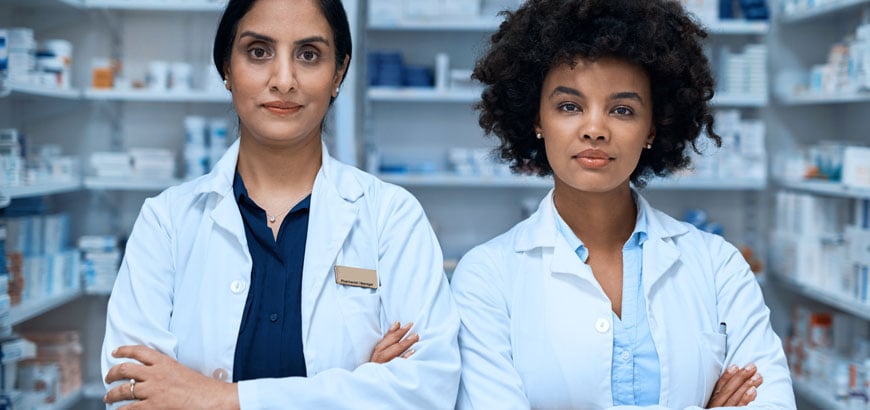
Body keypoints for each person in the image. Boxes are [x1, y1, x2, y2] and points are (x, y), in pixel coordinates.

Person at [100, 0, 460, 408]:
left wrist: (218, 399)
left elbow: (427, 390)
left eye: (309, 55)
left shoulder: (392, 217)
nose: (284, 79)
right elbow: (129, 393)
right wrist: (360, 385)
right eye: (258, 52)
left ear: (338, 73)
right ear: (225, 68)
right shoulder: (166, 222)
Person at [450, 0, 796, 408]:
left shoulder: (718, 267)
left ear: (653, 128)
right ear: (537, 120)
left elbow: (771, 401)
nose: (595, 129)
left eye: (622, 110)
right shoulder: (487, 278)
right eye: (569, 106)